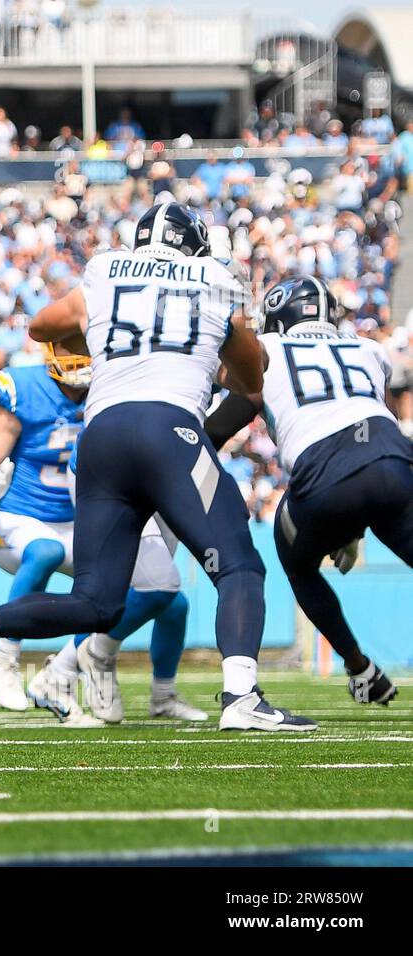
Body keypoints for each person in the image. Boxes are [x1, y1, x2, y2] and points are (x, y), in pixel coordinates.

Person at [0, 200, 317, 732]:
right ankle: (241, 696)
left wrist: (107, 333)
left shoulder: (106, 270)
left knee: (97, 601)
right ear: (192, 245)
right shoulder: (215, 276)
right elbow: (252, 378)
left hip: (101, 438)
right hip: (170, 432)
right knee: (239, 565)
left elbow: (40, 327)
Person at [0, 342, 206, 724]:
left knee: (169, 600)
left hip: (83, 522)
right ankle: (7, 662)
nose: (80, 359)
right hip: (22, 519)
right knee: (45, 552)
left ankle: (161, 694)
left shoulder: (112, 388)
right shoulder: (25, 388)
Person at [205, 276, 407, 707]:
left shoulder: (265, 352)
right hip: (395, 457)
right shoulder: (369, 350)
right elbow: (364, 435)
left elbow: (217, 430)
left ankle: (359, 668)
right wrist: (353, 528)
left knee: (297, 563)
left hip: (325, 472)